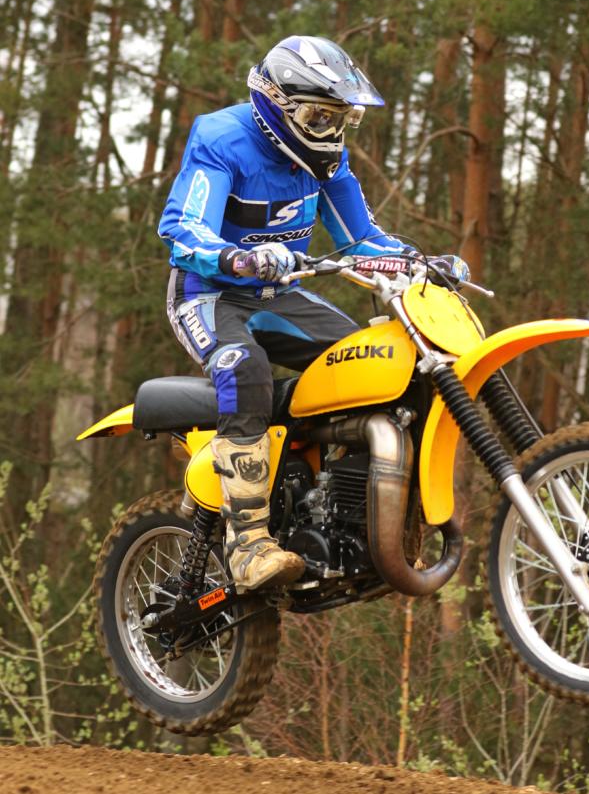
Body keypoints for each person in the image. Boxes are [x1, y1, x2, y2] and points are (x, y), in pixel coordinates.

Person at [158, 35, 468, 592]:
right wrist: (237, 256)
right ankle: (248, 545)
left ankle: (351, 517)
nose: (329, 130)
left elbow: (360, 240)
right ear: (275, 103)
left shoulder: (327, 160)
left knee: (374, 365)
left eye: (339, 118)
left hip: (278, 295)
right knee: (243, 368)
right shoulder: (222, 138)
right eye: (318, 116)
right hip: (208, 293)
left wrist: (421, 261)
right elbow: (183, 228)